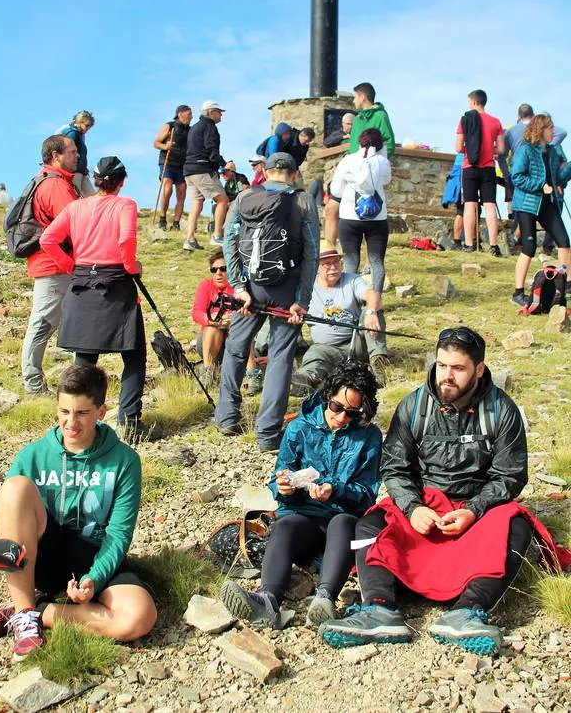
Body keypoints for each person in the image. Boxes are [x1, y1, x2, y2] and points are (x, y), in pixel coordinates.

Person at [319, 326, 539, 655]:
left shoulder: (501, 411)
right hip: (424, 508)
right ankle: (379, 607)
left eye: (458, 368)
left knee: (517, 525)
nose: (447, 376)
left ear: (479, 370)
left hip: (473, 513)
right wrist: (413, 507)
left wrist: (473, 509)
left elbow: (510, 475)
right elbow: (394, 467)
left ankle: (467, 611)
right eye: (442, 365)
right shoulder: (413, 407)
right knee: (366, 527)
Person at [0, 363, 157, 659]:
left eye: (82, 413)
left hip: (93, 553)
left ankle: (35, 611)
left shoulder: (125, 461)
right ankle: (26, 615)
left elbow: (118, 535)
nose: (70, 423)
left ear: (101, 412)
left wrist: (95, 578)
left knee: (139, 617)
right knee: (15, 487)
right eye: (64, 412)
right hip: (40, 555)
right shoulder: (34, 455)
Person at [220, 361, 382, 630]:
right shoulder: (299, 428)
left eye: (352, 413)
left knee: (342, 522)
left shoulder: (369, 436)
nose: (342, 417)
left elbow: (367, 494)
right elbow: (278, 477)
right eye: (337, 407)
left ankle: (324, 599)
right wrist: (282, 489)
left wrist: (335, 489)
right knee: (284, 524)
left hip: (343, 520)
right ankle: (267, 600)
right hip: (303, 517)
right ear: (327, 396)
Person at [214, 152, 320, 451]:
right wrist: (302, 299)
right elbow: (311, 252)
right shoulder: (303, 201)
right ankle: (268, 434)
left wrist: (238, 287)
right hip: (287, 287)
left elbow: (230, 241)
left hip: (250, 286)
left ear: (267, 171)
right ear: (294, 173)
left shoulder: (245, 196)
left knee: (235, 349)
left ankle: (226, 417)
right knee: (280, 358)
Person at [40, 156, 149, 441]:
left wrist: (70, 266)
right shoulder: (125, 205)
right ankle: (130, 423)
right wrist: (130, 266)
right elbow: (125, 240)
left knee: (85, 359)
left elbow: (47, 239)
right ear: (121, 182)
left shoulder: (76, 207)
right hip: (114, 283)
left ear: (98, 181)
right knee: (134, 354)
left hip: (82, 284)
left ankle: (75, 421)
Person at [330, 129, 391, 382]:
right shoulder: (382, 162)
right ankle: (373, 302)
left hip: (349, 217)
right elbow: (385, 181)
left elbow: (335, 189)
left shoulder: (347, 160)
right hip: (377, 217)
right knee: (376, 261)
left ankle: (351, 297)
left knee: (351, 260)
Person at [21, 135, 79, 395]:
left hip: (51, 264)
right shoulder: (55, 186)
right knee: (42, 323)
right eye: (72, 151)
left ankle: (76, 380)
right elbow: (76, 224)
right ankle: (33, 386)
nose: (77, 155)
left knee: (57, 321)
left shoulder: (47, 181)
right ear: (56, 155)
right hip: (54, 266)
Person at [292, 243, 385, 393]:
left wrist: (371, 311)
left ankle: (378, 362)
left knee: (374, 309)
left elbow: (372, 295)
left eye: (336, 262)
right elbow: (293, 312)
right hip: (325, 348)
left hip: (357, 343)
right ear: (316, 267)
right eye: (327, 264)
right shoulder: (306, 289)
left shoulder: (352, 280)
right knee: (313, 355)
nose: (334, 267)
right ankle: (306, 380)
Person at [510, 114, 571, 306]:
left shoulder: (553, 151)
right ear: (540, 129)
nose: (554, 131)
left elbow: (558, 178)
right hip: (527, 204)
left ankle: (566, 286)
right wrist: (539, 185)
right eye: (550, 127)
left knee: (564, 242)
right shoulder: (526, 150)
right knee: (529, 247)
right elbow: (516, 177)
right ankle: (518, 293)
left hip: (547, 204)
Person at [191, 249, 262, 393]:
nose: (218, 273)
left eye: (223, 269)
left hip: (236, 340)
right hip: (210, 343)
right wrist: (213, 320)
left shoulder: (240, 288)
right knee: (211, 327)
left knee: (241, 327)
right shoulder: (206, 285)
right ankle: (208, 373)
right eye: (214, 269)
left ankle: (252, 373)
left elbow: (251, 313)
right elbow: (197, 313)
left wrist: (233, 319)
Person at [455, 90, 504, 256]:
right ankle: (493, 246)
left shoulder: (465, 120)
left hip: (469, 166)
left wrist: (469, 149)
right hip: (488, 168)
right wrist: (490, 150)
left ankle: (469, 244)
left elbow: (458, 147)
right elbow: (501, 149)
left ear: (474, 102)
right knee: (490, 205)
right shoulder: (496, 122)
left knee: (470, 204)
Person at [183, 100, 228, 251]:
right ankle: (216, 235)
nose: (221, 114)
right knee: (222, 200)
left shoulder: (194, 127)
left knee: (196, 203)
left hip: (189, 170)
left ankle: (189, 240)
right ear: (210, 112)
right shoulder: (210, 127)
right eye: (218, 111)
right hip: (202, 169)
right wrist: (222, 165)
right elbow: (211, 149)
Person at [152, 104, 193, 230]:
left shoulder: (190, 130)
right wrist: (165, 146)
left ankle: (176, 223)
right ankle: (162, 218)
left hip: (182, 165)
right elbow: (156, 142)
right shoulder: (170, 126)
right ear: (180, 114)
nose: (191, 117)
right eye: (189, 114)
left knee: (181, 194)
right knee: (167, 190)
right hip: (167, 162)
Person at [349, 83, 395, 157]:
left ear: (362, 97)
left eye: (355, 97)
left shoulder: (380, 116)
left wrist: (376, 161)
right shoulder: (356, 119)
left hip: (373, 166)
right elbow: (352, 146)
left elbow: (389, 144)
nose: (353, 101)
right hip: (355, 166)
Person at [58, 111, 96, 197]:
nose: (87, 128)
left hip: (81, 171)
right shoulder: (72, 134)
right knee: (76, 197)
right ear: (80, 122)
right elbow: (67, 151)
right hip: (74, 172)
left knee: (92, 198)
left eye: (89, 126)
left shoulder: (79, 135)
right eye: (86, 125)